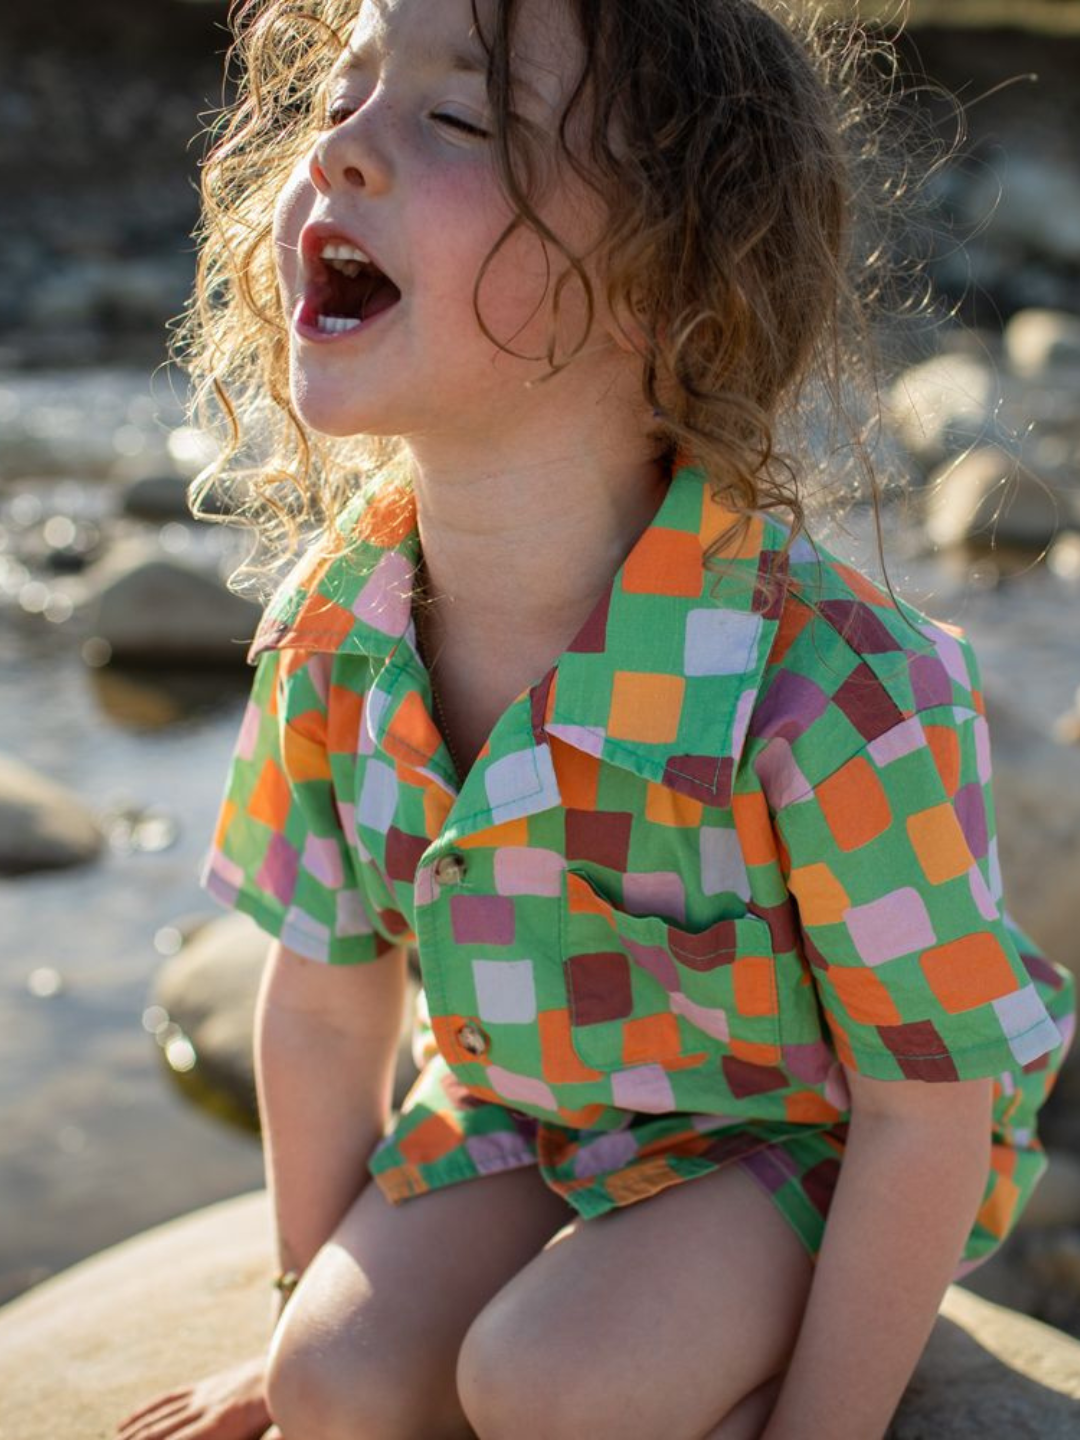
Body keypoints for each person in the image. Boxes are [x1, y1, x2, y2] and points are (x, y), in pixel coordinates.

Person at [117, 1, 1076, 1438]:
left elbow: (923, 1110)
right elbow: (324, 1006)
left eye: (456, 120)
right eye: (341, 93)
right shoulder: (338, 631)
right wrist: (295, 1309)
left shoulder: (827, 686)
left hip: (788, 1143)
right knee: (337, 1384)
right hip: (515, 1111)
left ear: (664, 285)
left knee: (553, 1385)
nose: (344, 153)